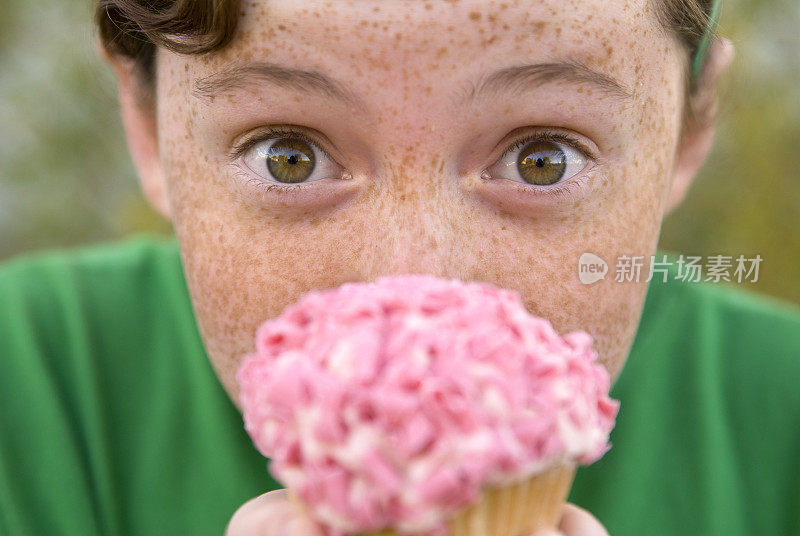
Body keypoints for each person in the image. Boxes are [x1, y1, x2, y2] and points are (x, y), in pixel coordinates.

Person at [0, 0, 798, 535]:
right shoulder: (27, 384)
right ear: (146, 127)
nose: (414, 287)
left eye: (543, 159)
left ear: (689, 135)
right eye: (289, 157)